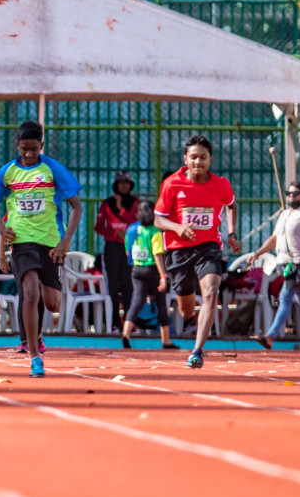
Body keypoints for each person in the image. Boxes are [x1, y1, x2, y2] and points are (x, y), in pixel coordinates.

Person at [0, 120, 83, 378]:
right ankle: (34, 355)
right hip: (22, 240)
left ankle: (41, 300)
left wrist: (66, 242)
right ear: (17, 146)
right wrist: (1, 229)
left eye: (33, 149)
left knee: (52, 304)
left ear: (41, 145)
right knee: (29, 291)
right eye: (24, 149)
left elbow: (77, 207)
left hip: (51, 242)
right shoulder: (7, 172)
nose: (29, 154)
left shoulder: (53, 170)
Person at [154, 134, 240, 370]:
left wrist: (231, 234)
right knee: (185, 310)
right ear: (186, 159)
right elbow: (158, 220)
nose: (198, 162)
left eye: (203, 157)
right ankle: (191, 318)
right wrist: (178, 227)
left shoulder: (221, 185)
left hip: (208, 247)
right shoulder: (172, 184)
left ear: (210, 159)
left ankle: (197, 350)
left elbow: (232, 204)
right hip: (178, 251)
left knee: (212, 291)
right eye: (193, 157)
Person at [250, 180, 300, 350]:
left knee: (285, 297)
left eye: (295, 194)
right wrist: (258, 253)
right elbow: (274, 238)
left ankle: (270, 336)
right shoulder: (285, 214)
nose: (291, 197)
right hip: (285, 262)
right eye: (289, 194)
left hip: (299, 263)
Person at [120, 198, 175, 349]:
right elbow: (157, 253)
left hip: (136, 270)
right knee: (161, 303)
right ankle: (166, 340)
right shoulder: (155, 231)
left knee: (136, 302)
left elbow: (127, 251)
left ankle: (126, 334)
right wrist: (163, 275)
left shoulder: (131, 229)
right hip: (152, 270)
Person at [95, 171, 139, 330]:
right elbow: (99, 227)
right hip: (112, 248)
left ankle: (129, 322)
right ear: (116, 184)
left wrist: (120, 208)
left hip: (129, 248)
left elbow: (135, 222)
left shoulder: (136, 203)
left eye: (126, 182)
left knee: (129, 284)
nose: (124, 185)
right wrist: (114, 233)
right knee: (111, 284)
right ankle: (113, 322)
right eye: (120, 182)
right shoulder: (107, 203)